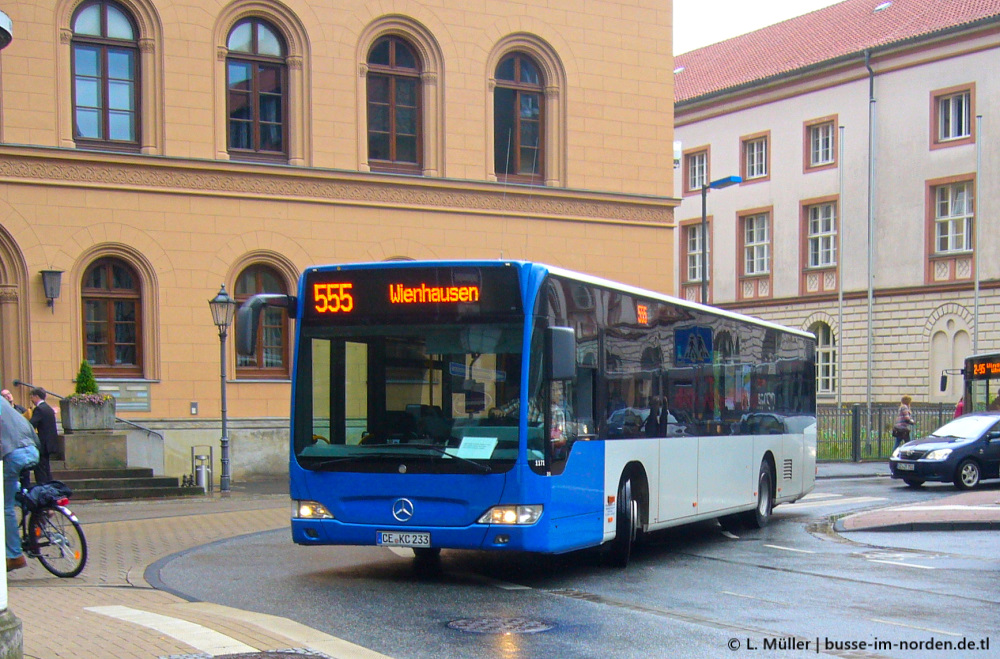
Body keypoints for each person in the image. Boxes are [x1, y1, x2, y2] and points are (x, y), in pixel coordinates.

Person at [2, 395, 40, 572]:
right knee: (12, 489)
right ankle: (37, 507)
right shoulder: (4, 404)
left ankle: (14, 555)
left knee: (5, 506)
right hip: (32, 450)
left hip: (13, 453)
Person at [28, 387, 58, 486]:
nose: (31, 400)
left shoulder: (39, 409)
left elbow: (31, 424)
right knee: (46, 467)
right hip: (50, 443)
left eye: (32, 397)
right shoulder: (48, 408)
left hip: (43, 444)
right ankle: (49, 487)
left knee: (40, 468)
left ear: (36, 396)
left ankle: (43, 488)